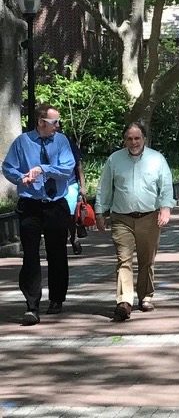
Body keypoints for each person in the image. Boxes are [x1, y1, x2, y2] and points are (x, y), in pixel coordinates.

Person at [2, 106, 75, 325]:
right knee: (30, 255)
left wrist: (43, 169)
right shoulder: (22, 142)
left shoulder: (61, 141)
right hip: (31, 205)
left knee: (57, 253)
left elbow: (67, 169)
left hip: (55, 204)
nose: (58, 126)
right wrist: (20, 178)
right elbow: (8, 167)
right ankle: (32, 304)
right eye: (54, 122)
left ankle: (56, 299)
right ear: (41, 122)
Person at [94, 122, 174, 322]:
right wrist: (99, 212)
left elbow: (165, 186)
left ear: (144, 139)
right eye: (129, 138)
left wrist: (165, 208)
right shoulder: (115, 160)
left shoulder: (157, 159)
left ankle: (145, 296)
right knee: (124, 260)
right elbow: (104, 188)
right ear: (124, 140)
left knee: (147, 260)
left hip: (149, 217)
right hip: (121, 219)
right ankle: (124, 302)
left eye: (137, 138)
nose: (133, 142)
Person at [64, 133, 87, 255]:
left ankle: (74, 237)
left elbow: (78, 166)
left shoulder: (67, 142)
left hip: (70, 185)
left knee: (71, 215)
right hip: (52, 188)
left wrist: (82, 186)